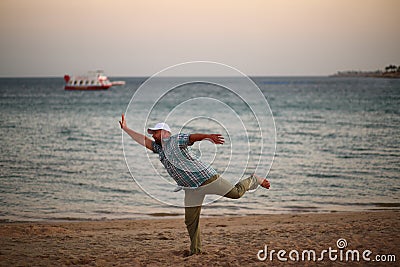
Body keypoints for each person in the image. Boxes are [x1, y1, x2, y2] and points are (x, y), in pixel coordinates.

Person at [119, 114, 270, 255]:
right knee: (190, 220)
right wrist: (126, 129)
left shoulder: (175, 140)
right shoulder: (160, 149)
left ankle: (254, 179)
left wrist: (207, 136)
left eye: (156, 132)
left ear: (165, 132)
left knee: (236, 193)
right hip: (191, 189)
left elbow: (192, 137)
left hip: (207, 179)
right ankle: (196, 251)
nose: (153, 135)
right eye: (152, 133)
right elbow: (143, 140)